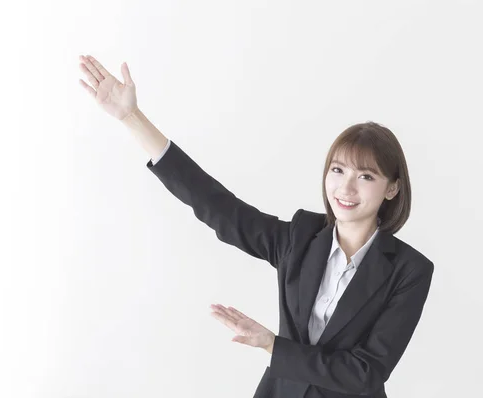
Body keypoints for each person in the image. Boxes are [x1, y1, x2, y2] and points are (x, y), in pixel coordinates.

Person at [78, 54, 434, 398]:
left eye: (366, 176)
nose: (346, 188)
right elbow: (218, 207)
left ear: (392, 188)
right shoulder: (301, 238)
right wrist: (132, 117)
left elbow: (364, 373)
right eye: (338, 170)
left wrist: (272, 345)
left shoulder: (408, 270)